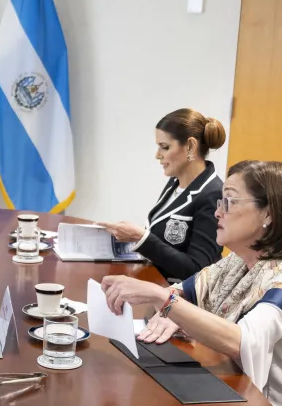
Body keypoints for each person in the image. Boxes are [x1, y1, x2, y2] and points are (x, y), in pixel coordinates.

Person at [101, 160, 282, 406]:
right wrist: (176, 306)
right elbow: (185, 291)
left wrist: (164, 301)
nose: (217, 212)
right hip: (239, 397)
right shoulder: (241, 260)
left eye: (230, 201)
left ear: (268, 214)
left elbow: (240, 341)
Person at [96, 109, 227, 281]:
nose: (157, 155)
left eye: (164, 147)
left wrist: (141, 237)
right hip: (155, 284)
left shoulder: (212, 194)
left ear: (190, 146)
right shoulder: (176, 182)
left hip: (182, 299)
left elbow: (197, 270)